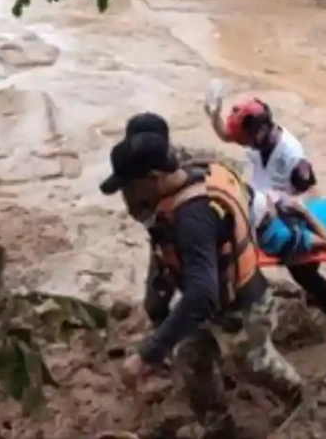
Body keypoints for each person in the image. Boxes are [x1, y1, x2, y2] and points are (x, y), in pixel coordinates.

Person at [101, 131, 304, 438]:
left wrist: (148, 354)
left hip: (244, 305)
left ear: (154, 177)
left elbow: (201, 295)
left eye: (129, 187)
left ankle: (300, 400)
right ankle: (218, 425)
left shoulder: (193, 219)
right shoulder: (197, 173)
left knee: (255, 363)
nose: (127, 198)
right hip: (216, 294)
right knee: (191, 355)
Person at [205, 97, 326, 321]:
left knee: (303, 271)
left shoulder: (293, 157)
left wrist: (285, 207)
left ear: (260, 131)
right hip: (260, 208)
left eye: (245, 140)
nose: (243, 144)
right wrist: (214, 116)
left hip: (287, 218)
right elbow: (227, 135)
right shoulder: (256, 138)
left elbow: (313, 195)